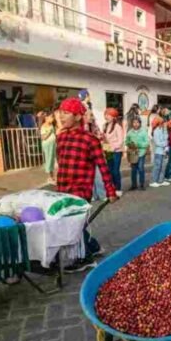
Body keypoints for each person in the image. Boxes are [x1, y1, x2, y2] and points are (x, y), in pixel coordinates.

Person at [55, 98, 118, 272]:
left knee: (73, 224)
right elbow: (61, 163)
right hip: (63, 190)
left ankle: (85, 258)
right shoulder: (60, 138)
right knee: (74, 224)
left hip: (80, 190)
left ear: (77, 116)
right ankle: (94, 247)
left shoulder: (90, 140)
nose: (61, 116)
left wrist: (110, 191)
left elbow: (103, 167)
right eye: (60, 112)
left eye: (66, 113)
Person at [104, 108, 125, 196]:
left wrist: (113, 147)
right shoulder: (105, 125)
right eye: (106, 114)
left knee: (116, 170)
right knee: (110, 170)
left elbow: (120, 141)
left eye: (109, 115)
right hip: (108, 151)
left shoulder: (117, 126)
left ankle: (118, 188)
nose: (106, 116)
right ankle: (112, 188)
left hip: (116, 151)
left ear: (113, 117)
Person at [125, 116, 149, 191]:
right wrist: (129, 143)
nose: (135, 124)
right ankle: (134, 185)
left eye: (137, 122)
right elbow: (126, 141)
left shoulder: (143, 131)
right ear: (132, 123)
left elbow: (146, 143)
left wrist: (138, 144)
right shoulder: (130, 132)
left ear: (140, 123)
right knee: (133, 170)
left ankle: (142, 184)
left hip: (141, 153)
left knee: (141, 168)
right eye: (134, 122)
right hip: (133, 154)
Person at [149, 117, 170, 188]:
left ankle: (161, 180)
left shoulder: (163, 130)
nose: (165, 124)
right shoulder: (156, 131)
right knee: (157, 166)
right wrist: (165, 143)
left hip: (164, 151)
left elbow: (166, 138)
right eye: (164, 123)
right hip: (158, 151)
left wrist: (165, 131)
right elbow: (157, 142)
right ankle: (154, 181)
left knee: (163, 166)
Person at [40, 111, 57, 184]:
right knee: (49, 159)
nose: (52, 119)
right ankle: (50, 177)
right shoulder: (43, 126)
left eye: (53, 117)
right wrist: (49, 132)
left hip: (53, 144)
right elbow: (43, 137)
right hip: (47, 145)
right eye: (51, 117)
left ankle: (53, 176)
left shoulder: (52, 126)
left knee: (53, 160)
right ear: (46, 118)